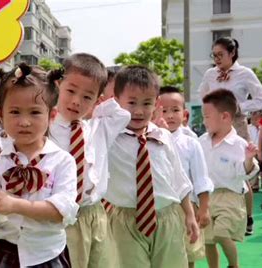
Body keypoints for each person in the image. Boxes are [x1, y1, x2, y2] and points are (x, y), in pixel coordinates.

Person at [0, 63, 78, 267]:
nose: (24, 122)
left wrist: (16, 205)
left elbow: (60, 212)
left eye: (35, 112)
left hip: (47, 254)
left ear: (51, 115)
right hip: (6, 252)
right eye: (15, 112)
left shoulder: (62, 161)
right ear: (1, 114)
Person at [105, 65, 199, 267]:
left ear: (157, 104)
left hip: (167, 217)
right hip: (126, 221)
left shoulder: (162, 136)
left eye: (147, 103)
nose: (139, 111)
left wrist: (190, 215)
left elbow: (179, 179)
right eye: (131, 103)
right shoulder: (108, 136)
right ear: (117, 101)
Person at [48, 53, 131, 268]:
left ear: (97, 100)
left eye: (87, 97)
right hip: (61, 214)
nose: (76, 101)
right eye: (71, 91)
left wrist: (99, 107)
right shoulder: (46, 127)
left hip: (94, 212)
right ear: (58, 85)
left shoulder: (97, 128)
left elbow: (123, 116)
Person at [198, 36, 262, 236]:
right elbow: (202, 94)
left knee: (242, 173)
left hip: (236, 123)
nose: (217, 59)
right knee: (212, 167)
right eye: (214, 55)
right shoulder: (210, 74)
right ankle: (215, 213)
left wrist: (238, 108)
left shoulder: (245, 73)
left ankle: (247, 217)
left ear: (232, 53)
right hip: (213, 124)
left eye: (221, 55)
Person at [199, 89, 259, 268]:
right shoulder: (202, 141)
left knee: (222, 234)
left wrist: (248, 158)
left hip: (231, 196)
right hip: (207, 197)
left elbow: (245, 172)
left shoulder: (239, 144)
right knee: (208, 239)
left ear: (225, 117)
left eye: (207, 116)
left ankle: (234, 265)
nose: (204, 121)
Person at [159, 86, 214, 268]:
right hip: (158, 208)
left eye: (175, 110)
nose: (170, 115)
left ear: (185, 114)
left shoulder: (191, 144)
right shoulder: (149, 138)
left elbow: (201, 178)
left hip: (186, 207)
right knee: (162, 254)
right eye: (164, 110)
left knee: (187, 253)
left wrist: (204, 208)